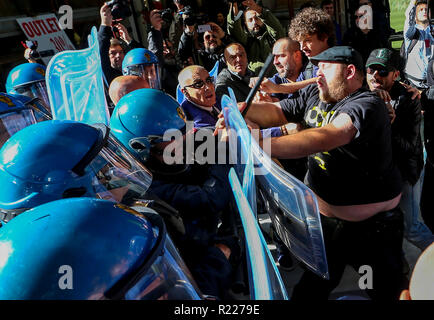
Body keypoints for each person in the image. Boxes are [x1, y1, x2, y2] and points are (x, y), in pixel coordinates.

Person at [216, 46, 406, 300]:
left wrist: (256, 145)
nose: (317, 74)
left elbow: (326, 137)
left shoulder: (368, 105)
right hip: (328, 228)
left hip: (372, 233)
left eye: (325, 67)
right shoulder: (316, 93)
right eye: (316, 67)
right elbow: (276, 112)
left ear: (349, 72)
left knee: (381, 289)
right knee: (311, 290)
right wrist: (240, 112)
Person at [109, 88, 238, 298]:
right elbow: (211, 197)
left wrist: (220, 131)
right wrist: (223, 147)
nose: (185, 139)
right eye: (174, 136)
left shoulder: (168, 159)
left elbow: (200, 153)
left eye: (184, 130)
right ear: (142, 147)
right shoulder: (147, 188)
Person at [365, 48, 434, 251]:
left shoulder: (408, 100)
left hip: (405, 172)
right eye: (371, 70)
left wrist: (389, 123)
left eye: (382, 72)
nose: (375, 76)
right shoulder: (361, 93)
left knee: (411, 228)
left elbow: (409, 148)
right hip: (378, 173)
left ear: (396, 75)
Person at [226, 0, 285, 76]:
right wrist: (234, 5)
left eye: (257, 18)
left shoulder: (272, 37)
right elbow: (234, 29)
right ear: (246, 24)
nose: (254, 22)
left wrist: (258, 9)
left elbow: (276, 28)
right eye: (250, 20)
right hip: (256, 83)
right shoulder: (246, 41)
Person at [250, 38, 318, 101]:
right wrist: (266, 100)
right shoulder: (275, 81)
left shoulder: (314, 67)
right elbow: (274, 101)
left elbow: (320, 80)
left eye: (281, 56)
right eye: (274, 57)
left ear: (296, 56)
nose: (275, 62)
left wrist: (279, 88)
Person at [98, 3, 142, 86]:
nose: (118, 55)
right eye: (113, 53)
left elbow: (144, 58)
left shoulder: (134, 73)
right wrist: (105, 25)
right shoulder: (111, 79)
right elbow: (101, 52)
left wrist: (128, 39)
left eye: (121, 52)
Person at [288, 7, 335, 80]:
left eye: (307, 40)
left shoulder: (338, 65)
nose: (302, 47)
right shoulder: (308, 68)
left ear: (324, 37)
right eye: (300, 42)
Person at [402, 0, 434, 90]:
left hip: (430, 84)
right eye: (420, 10)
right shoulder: (411, 32)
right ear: (415, 16)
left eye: (426, 9)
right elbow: (408, 14)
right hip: (413, 85)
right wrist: (413, 2)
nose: (424, 11)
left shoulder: (432, 31)